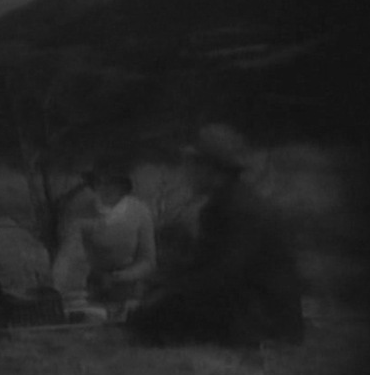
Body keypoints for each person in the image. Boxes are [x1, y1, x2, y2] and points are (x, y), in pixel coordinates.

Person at [127, 124, 304, 346]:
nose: (188, 173)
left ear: (210, 169)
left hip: (263, 320)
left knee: (152, 317)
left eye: (192, 165)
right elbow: (205, 265)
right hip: (255, 308)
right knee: (155, 307)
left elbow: (223, 276)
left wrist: (167, 294)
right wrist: (165, 282)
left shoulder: (236, 209)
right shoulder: (226, 203)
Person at [58, 159, 156, 320]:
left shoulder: (140, 212)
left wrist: (124, 276)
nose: (104, 188)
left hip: (131, 291)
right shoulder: (82, 212)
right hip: (94, 290)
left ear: (122, 187)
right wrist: (61, 286)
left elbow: (148, 261)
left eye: (111, 183)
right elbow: (68, 256)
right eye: (99, 183)